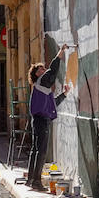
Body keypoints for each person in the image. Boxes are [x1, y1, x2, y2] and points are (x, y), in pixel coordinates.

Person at [25, 44, 72, 188]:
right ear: (36, 74)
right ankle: (37, 181)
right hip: (41, 120)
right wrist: (61, 52)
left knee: (35, 149)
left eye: (43, 68)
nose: (44, 70)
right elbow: (52, 71)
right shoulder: (41, 82)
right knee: (42, 150)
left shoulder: (42, 88)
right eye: (41, 69)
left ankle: (31, 180)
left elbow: (53, 103)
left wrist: (64, 94)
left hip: (38, 120)